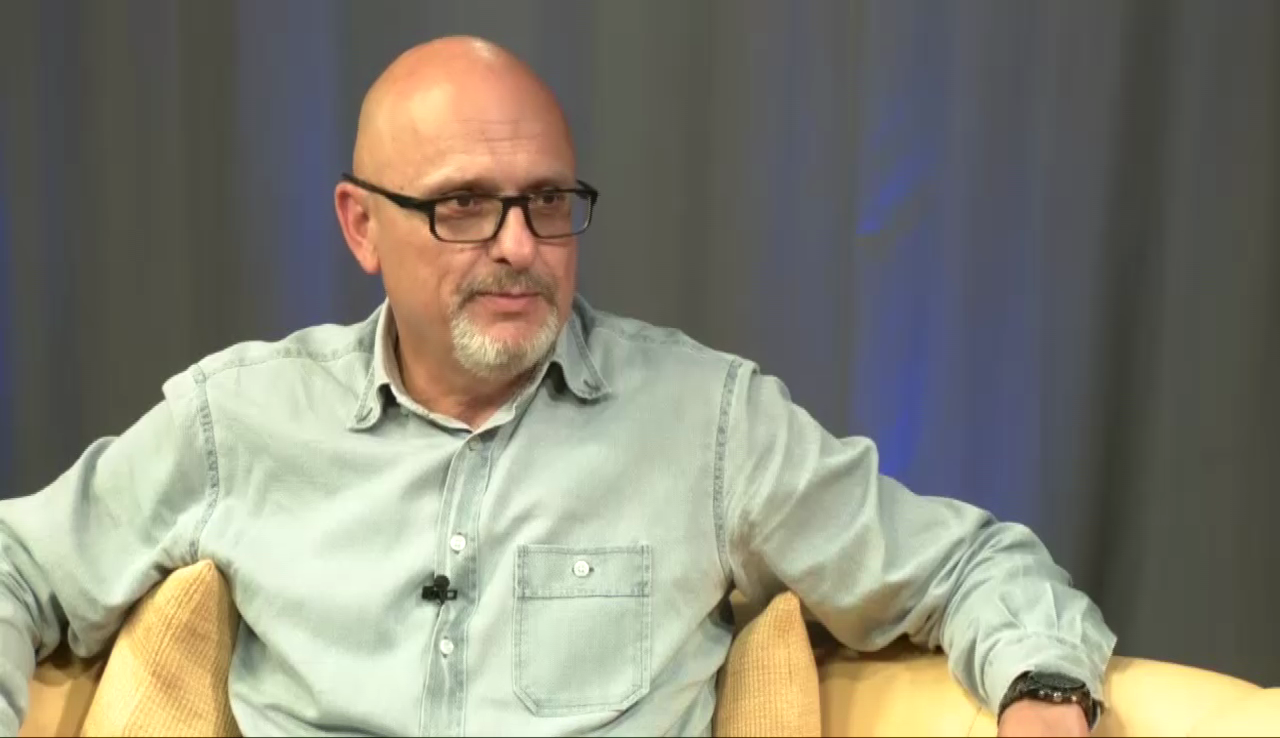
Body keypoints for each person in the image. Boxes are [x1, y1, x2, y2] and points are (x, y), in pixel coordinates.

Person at [0, 36, 1115, 737]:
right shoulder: (238, 422)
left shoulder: (709, 426)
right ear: (361, 226)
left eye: (545, 202)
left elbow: (967, 564)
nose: (519, 246)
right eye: (462, 205)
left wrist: (1045, 694)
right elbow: (19, 567)